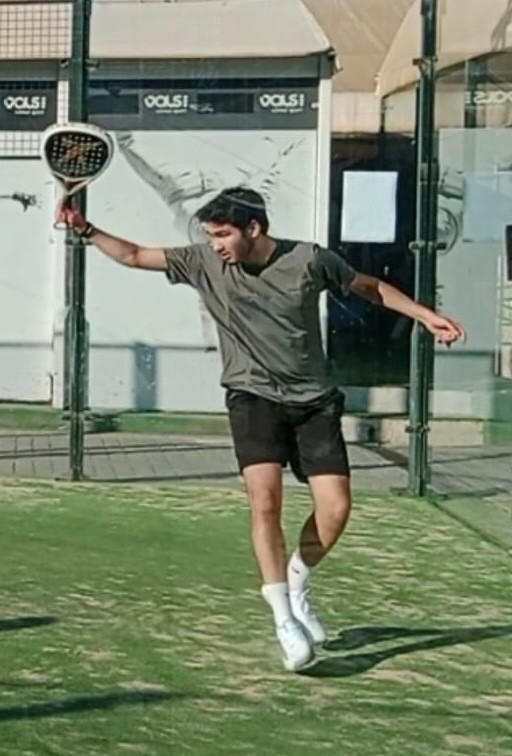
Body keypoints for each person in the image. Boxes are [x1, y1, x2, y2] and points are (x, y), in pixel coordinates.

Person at [56, 187, 466, 672]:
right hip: (252, 398)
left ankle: (298, 580)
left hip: (313, 402)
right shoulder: (204, 263)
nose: (215, 245)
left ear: (254, 228)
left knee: (336, 509)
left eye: (223, 234)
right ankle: (283, 618)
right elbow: (133, 254)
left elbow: (368, 287)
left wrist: (427, 317)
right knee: (265, 500)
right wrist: (85, 229)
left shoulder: (309, 260)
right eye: (210, 235)